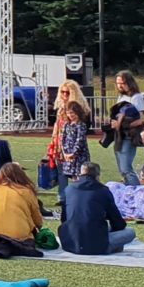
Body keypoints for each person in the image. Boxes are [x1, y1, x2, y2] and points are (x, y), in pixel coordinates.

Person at [62, 162, 136, 255]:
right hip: (96, 246)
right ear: (97, 176)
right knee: (130, 232)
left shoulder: (69, 189)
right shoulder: (102, 190)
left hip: (70, 243)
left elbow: (64, 219)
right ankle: (111, 247)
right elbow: (118, 223)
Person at [49, 85, 94, 222]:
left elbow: (80, 140)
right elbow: (61, 138)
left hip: (78, 156)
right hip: (67, 155)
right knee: (66, 175)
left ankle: (79, 197)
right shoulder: (67, 125)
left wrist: (73, 153)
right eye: (69, 113)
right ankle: (66, 198)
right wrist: (63, 151)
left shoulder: (80, 125)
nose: (70, 115)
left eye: (73, 113)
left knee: (78, 177)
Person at [108, 71, 144, 187]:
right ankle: (129, 193)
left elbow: (140, 120)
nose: (120, 85)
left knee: (126, 169)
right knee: (122, 170)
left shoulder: (136, 97)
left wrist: (122, 125)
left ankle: (138, 194)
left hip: (129, 136)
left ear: (129, 82)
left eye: (123, 83)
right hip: (120, 135)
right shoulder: (121, 97)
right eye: (118, 83)